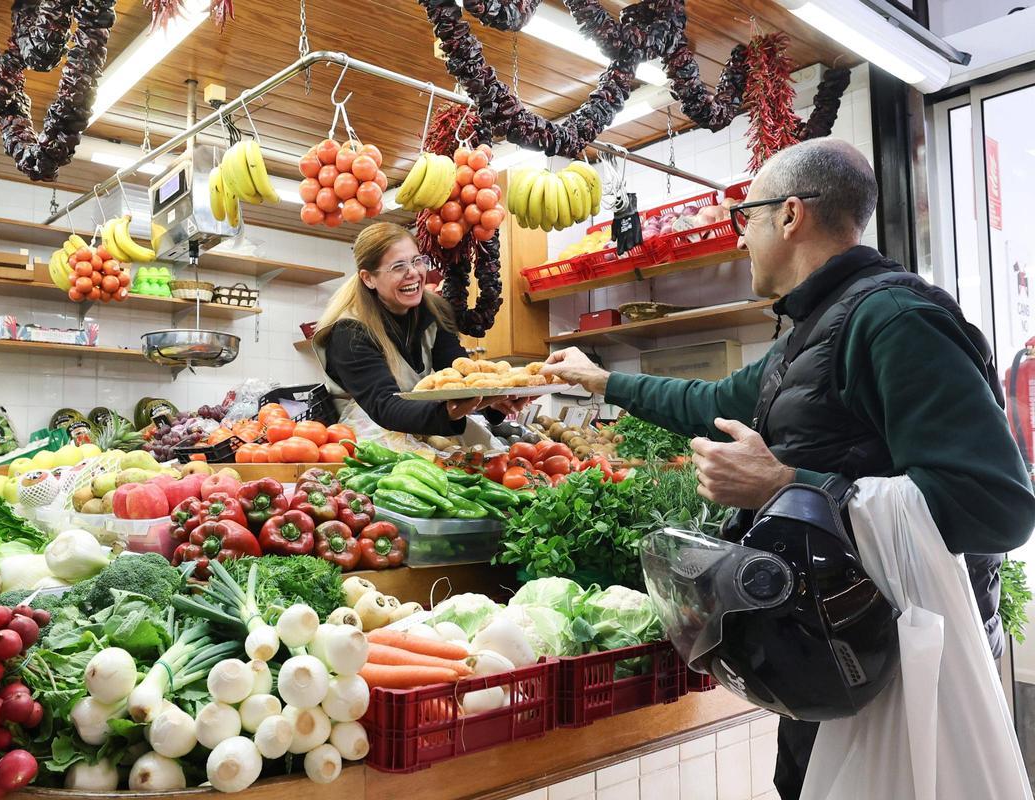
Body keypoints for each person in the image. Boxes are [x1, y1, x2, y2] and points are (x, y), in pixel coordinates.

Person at [542, 138, 1035, 800]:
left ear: (790, 215)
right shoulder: (811, 333)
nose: (740, 235)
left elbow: (996, 506)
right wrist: (601, 381)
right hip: (834, 659)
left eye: (744, 215)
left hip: (906, 669)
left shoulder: (894, 320)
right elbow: (711, 402)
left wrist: (781, 485)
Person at [313, 222, 523, 441]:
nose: (413, 273)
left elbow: (460, 373)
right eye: (398, 267)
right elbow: (383, 405)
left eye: (417, 261)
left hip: (416, 419)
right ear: (368, 278)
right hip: (363, 434)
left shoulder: (434, 311)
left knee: (484, 449)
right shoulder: (350, 331)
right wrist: (448, 413)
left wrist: (496, 401)